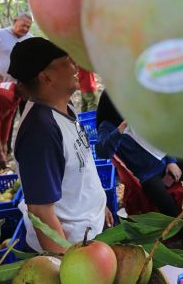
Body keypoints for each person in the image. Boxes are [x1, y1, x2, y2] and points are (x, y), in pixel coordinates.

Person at [7, 37, 113, 254]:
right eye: (66, 61)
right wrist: (65, 263)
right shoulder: (41, 131)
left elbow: (78, 171)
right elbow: (40, 211)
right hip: (75, 247)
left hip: (90, 229)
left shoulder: (63, 108)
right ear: (46, 77)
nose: (74, 66)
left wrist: (99, 206)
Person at [95, 91, 183, 249]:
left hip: (164, 160)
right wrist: (121, 129)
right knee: (169, 207)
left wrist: (171, 160)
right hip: (147, 174)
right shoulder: (107, 126)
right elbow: (103, 151)